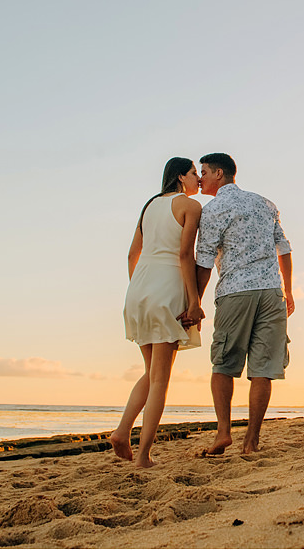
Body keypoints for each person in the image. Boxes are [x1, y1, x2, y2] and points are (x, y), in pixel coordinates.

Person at [190, 152, 294, 455]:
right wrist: (288, 291)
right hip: (272, 292)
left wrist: (195, 301)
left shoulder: (214, 209)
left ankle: (223, 433)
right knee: (263, 368)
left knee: (223, 363)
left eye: (205, 172)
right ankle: (251, 441)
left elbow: (205, 259)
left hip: (236, 291)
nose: (201, 179)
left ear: (220, 174)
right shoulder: (265, 203)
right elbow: (284, 248)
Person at [109, 157, 204, 468]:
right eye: (193, 173)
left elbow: (131, 254)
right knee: (161, 379)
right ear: (180, 176)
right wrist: (194, 301)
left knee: (151, 373)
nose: (198, 180)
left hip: (139, 289)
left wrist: (139, 287)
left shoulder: (149, 207)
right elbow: (184, 255)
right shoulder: (190, 207)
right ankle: (144, 456)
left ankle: (122, 432)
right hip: (167, 287)